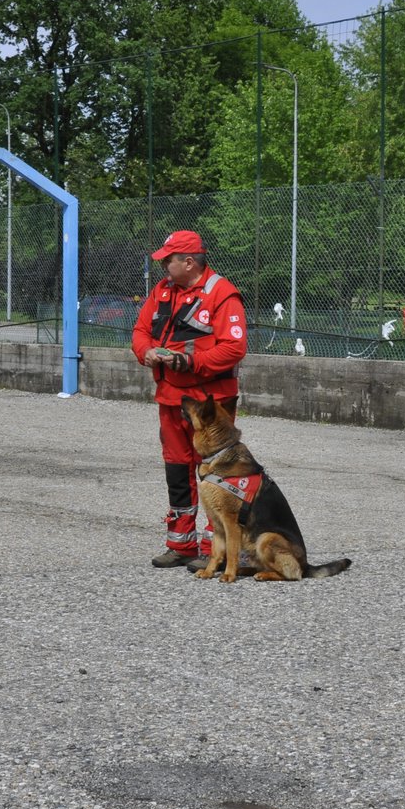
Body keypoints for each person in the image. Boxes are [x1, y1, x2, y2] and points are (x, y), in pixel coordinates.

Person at [131, 229, 249, 568]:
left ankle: (220, 549)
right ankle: (181, 544)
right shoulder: (163, 290)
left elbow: (234, 348)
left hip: (211, 403)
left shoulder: (222, 294)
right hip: (171, 398)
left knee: (217, 472)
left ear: (189, 261)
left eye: (168, 259)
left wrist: (191, 362)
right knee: (177, 470)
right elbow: (139, 331)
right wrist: (146, 351)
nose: (164, 264)